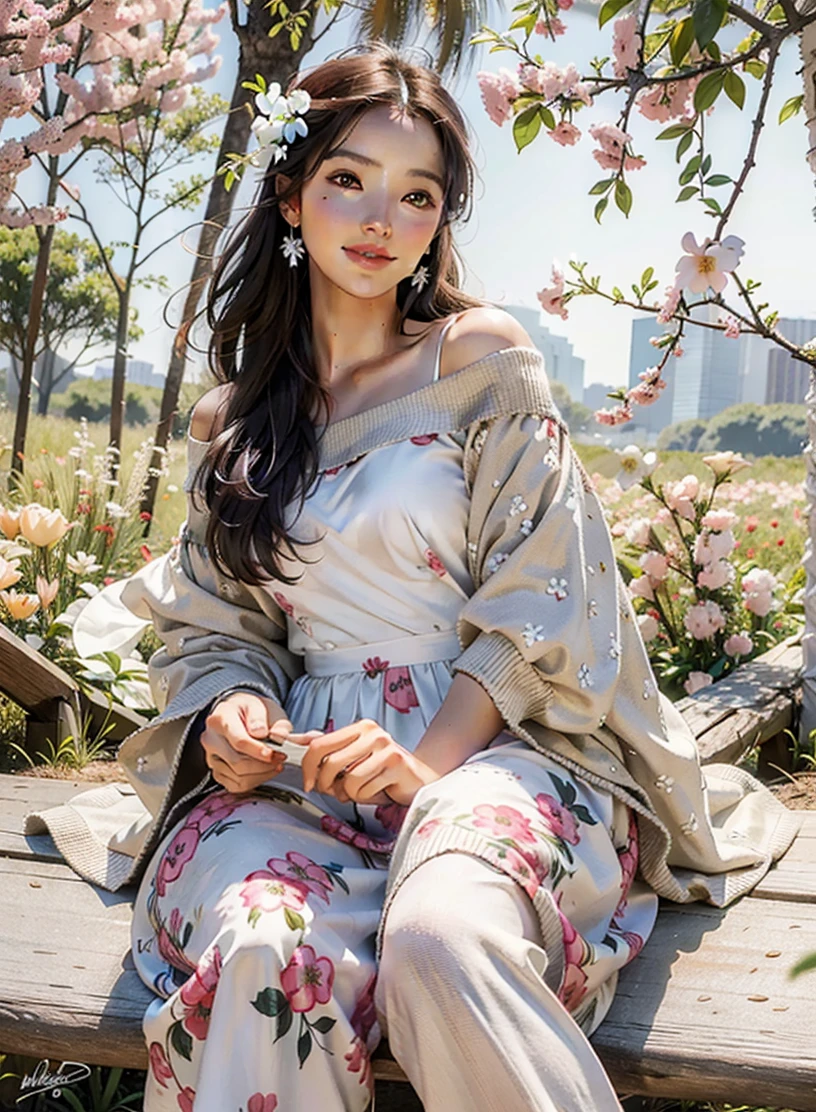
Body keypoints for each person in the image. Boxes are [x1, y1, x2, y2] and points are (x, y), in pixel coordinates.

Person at [26, 43, 801, 1112]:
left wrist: (429, 765)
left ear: (441, 220)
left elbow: (546, 591)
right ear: (292, 197)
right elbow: (217, 623)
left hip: (498, 740)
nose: (380, 216)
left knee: (442, 935)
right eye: (348, 179)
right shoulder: (232, 423)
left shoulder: (479, 359)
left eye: (418, 193)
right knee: (261, 951)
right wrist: (235, 708)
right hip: (307, 766)